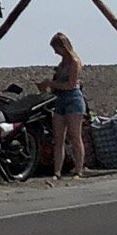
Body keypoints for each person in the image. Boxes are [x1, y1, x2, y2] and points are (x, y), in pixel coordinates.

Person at [39, 32, 87, 181]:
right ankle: (57, 171)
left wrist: (51, 83)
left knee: (75, 136)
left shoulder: (74, 62)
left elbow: (71, 84)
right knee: (58, 137)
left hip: (72, 99)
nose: (55, 52)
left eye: (56, 48)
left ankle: (78, 170)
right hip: (59, 99)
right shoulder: (62, 63)